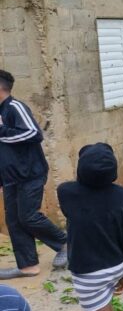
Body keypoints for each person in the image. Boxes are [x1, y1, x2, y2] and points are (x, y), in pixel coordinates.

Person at [0, 69, 68, 279]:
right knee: (14, 220)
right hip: (10, 177)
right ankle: (28, 266)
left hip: (30, 173)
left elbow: (33, 133)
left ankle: (65, 243)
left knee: (28, 216)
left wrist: (2, 131)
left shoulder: (14, 107)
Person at [57, 143, 123, 311]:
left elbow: (87, 211)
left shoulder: (65, 192)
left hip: (89, 272)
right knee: (104, 304)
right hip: (117, 265)